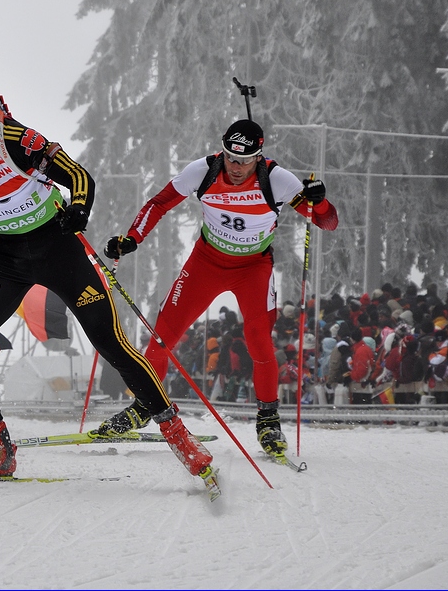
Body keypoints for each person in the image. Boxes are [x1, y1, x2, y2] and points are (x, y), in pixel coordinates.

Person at [0, 72, 216, 487]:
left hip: (58, 250)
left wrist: (79, 209)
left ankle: (177, 433)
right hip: (7, 256)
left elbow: (79, 176)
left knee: (110, 342)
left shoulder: (14, 138)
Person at [104, 117, 339, 461]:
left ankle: (268, 419)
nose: (237, 166)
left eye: (245, 160)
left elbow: (326, 221)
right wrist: (132, 238)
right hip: (206, 263)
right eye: (231, 157)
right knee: (162, 335)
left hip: (253, 268)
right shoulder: (203, 171)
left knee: (259, 340)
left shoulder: (277, 179)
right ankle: (144, 404)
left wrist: (318, 201)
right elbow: (159, 203)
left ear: (260, 155)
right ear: (223, 151)